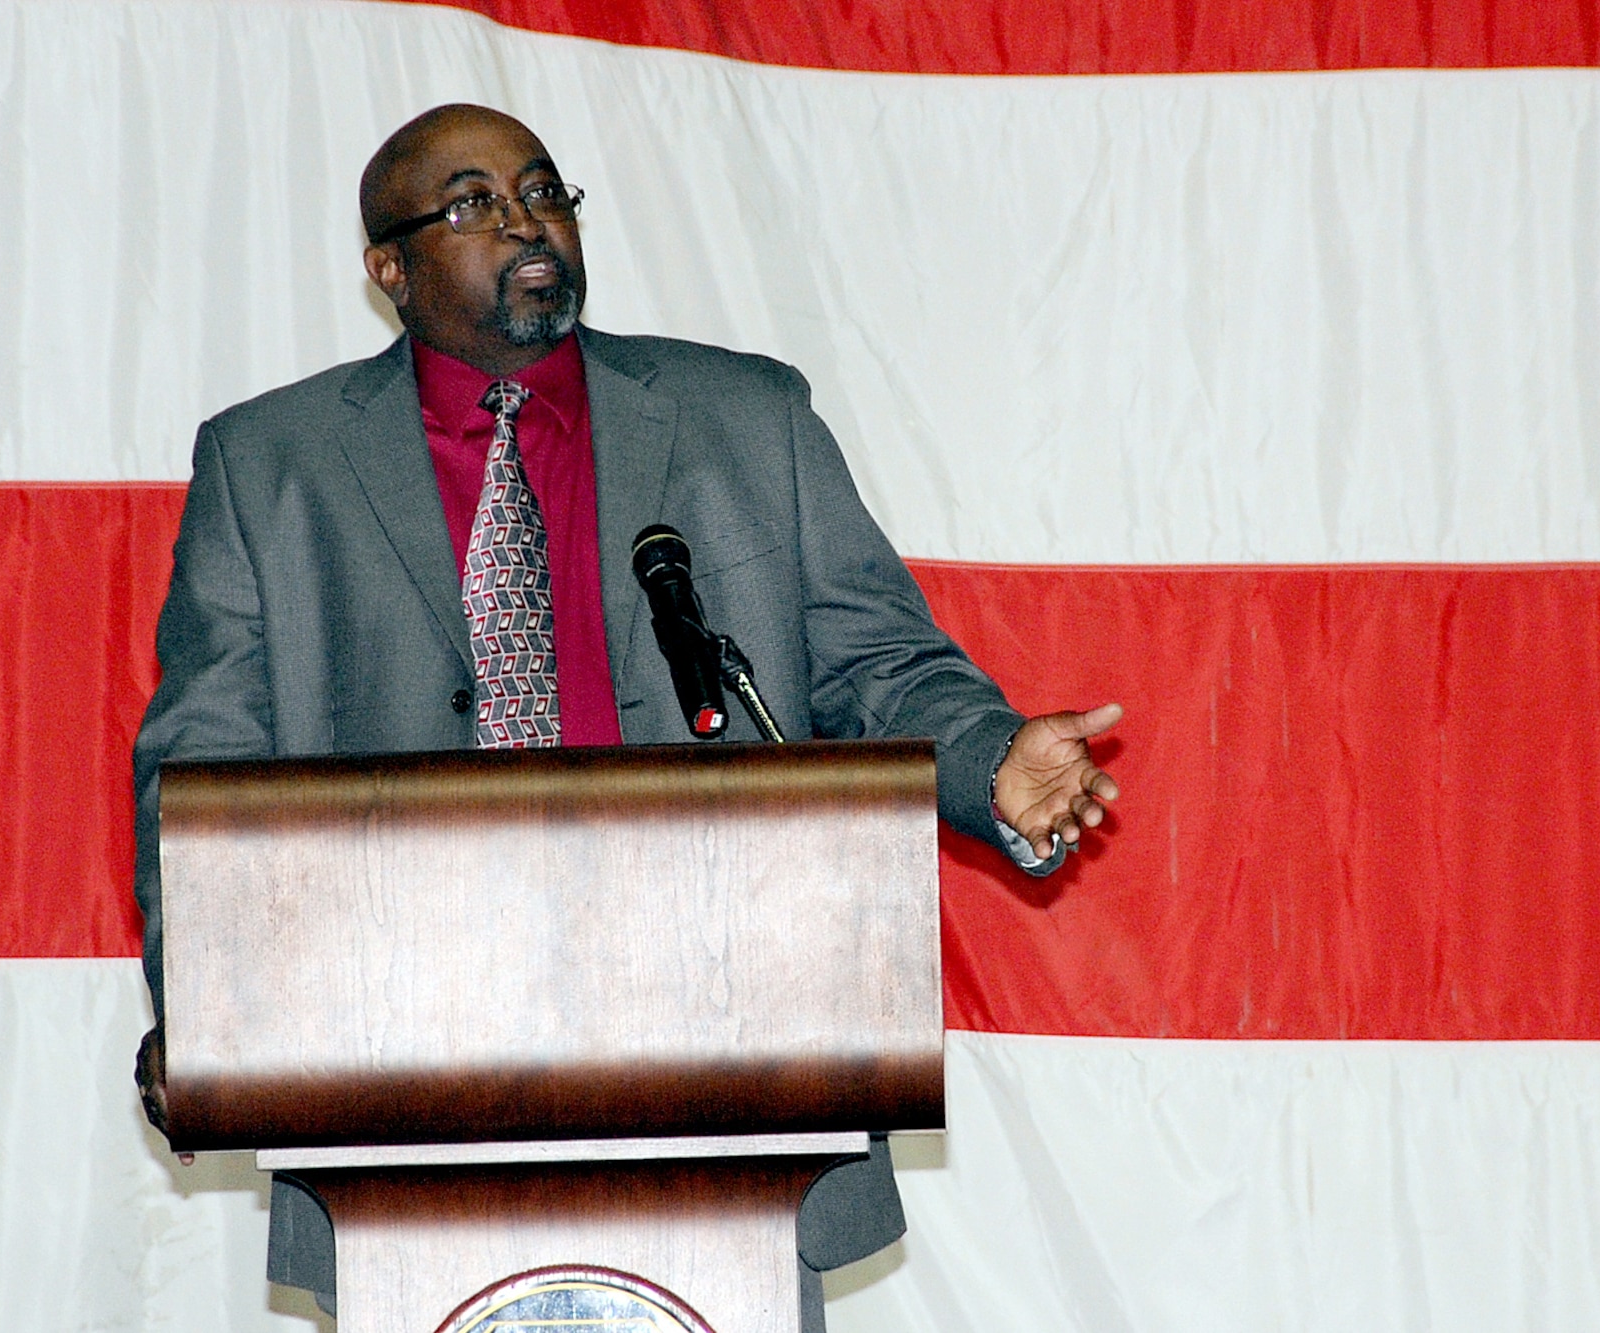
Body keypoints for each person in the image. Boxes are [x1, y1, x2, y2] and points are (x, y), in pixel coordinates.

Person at [132, 102, 1121, 1328]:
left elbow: (878, 661)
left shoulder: (743, 417)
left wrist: (989, 758)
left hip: (721, 1043)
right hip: (402, 1053)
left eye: (543, 190)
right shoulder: (268, 464)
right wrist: (208, 1005)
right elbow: (199, 772)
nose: (524, 220)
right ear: (388, 267)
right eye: (473, 202)